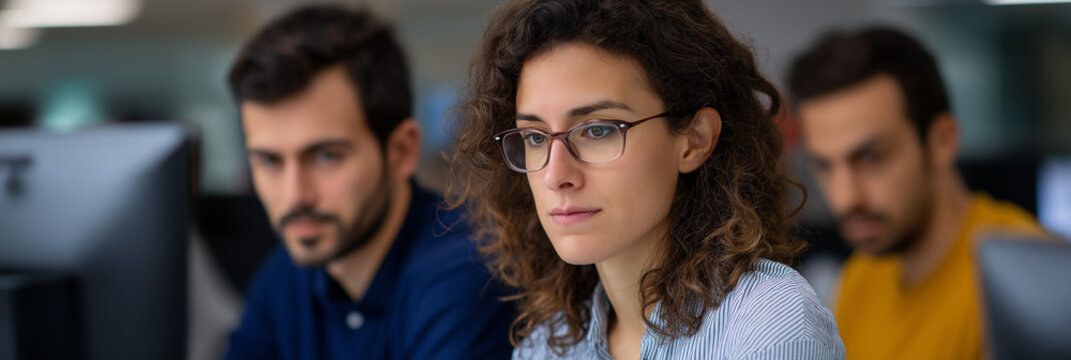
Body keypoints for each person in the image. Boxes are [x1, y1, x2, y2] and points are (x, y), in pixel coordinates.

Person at [447, 0, 845, 358]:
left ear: (694, 140)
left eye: (598, 130)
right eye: (535, 137)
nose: (555, 175)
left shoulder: (771, 327)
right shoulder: (547, 348)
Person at [223, 5, 513, 360]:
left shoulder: (467, 269)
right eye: (269, 161)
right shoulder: (285, 278)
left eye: (326, 156)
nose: (294, 195)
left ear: (402, 151)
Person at [786, 27, 1045, 360]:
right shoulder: (859, 277)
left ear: (942, 141)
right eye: (825, 165)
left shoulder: (1030, 283)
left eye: (871, 157)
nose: (845, 198)